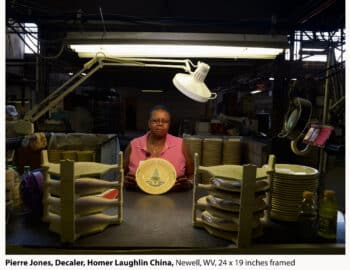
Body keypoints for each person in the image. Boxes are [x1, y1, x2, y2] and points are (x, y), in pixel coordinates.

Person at [124, 105, 194, 191]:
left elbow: (192, 175)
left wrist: (189, 184)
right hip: (137, 197)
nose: (160, 124)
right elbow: (121, 175)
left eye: (164, 121)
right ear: (149, 123)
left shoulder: (181, 145)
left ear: (169, 124)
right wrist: (125, 182)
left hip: (175, 198)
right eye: (155, 121)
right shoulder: (134, 145)